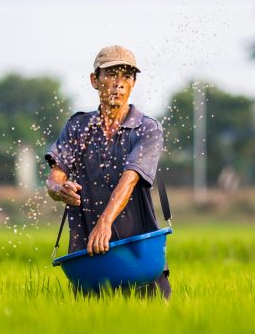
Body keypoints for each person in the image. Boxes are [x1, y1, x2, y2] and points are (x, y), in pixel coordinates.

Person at [45, 45, 171, 299]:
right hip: (89, 258)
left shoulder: (146, 129)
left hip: (140, 255)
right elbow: (54, 178)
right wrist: (61, 190)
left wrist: (104, 223)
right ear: (95, 80)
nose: (119, 84)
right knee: (92, 333)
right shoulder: (78, 127)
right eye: (111, 75)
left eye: (126, 76)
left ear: (134, 83)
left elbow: (130, 178)